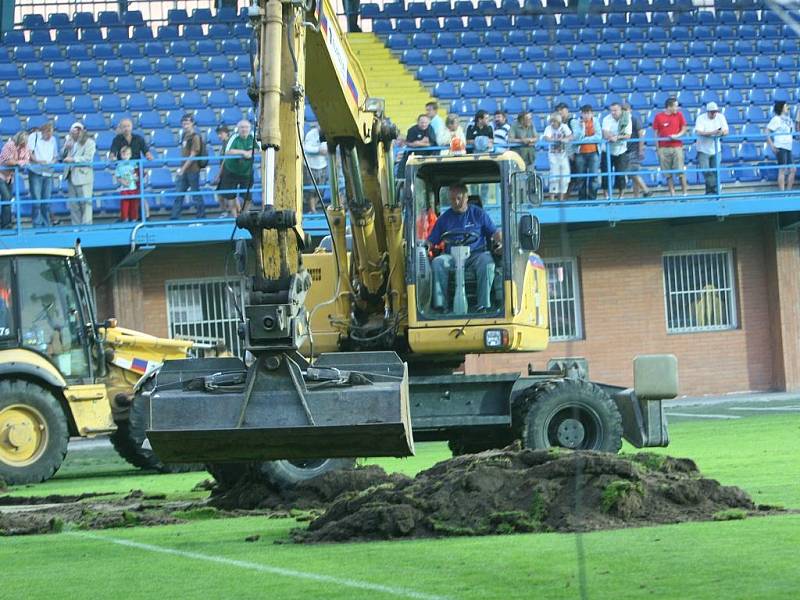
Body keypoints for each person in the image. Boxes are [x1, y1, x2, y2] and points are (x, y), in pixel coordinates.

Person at [427, 183, 502, 312]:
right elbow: (431, 240)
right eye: (452, 199)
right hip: (452, 257)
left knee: (487, 262)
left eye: (459, 198)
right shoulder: (444, 219)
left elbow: (495, 233)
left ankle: (483, 305)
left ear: (466, 197)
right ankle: (441, 306)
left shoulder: (478, 214)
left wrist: (501, 242)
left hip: (475, 255)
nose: (455, 202)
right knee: (437, 263)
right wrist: (424, 246)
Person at [170, 113, 204, 220]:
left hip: (193, 170)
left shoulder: (195, 137)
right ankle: (175, 217)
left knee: (195, 194)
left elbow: (193, 154)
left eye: (187, 123)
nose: (185, 125)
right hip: (184, 170)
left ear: (192, 123)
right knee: (179, 194)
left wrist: (183, 169)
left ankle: (201, 216)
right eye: (184, 123)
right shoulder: (184, 135)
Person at [61, 122, 96, 225]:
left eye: (78, 131)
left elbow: (88, 158)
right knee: (74, 204)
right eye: (74, 131)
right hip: (70, 176)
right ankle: (75, 225)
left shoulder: (89, 142)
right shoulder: (69, 141)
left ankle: (86, 226)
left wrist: (73, 159)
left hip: (83, 176)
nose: (76, 133)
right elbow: (62, 156)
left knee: (85, 203)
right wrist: (66, 148)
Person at [653, 97, 688, 196]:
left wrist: (677, 136)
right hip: (663, 148)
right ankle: (672, 194)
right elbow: (655, 134)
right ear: (669, 107)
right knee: (667, 173)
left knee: (680, 171)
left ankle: (685, 193)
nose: (677, 108)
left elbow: (684, 128)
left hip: (677, 146)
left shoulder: (679, 115)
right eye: (676, 106)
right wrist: (658, 149)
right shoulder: (658, 117)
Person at [219, 119, 256, 212]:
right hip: (231, 171)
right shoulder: (233, 137)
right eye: (242, 127)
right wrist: (243, 152)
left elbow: (261, 150)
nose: (244, 129)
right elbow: (227, 152)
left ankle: (244, 215)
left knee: (247, 197)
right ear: (238, 129)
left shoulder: (253, 137)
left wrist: (251, 152)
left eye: (246, 127)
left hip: (246, 172)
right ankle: (235, 217)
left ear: (250, 128)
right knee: (231, 196)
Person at [27, 122, 59, 228]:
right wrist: (38, 161)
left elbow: (55, 156)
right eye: (48, 134)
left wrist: (52, 162)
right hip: (36, 171)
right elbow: (29, 153)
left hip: (48, 172)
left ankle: (46, 223)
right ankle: (36, 223)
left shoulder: (53, 139)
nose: (50, 137)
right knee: (36, 199)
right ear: (43, 131)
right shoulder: (33, 136)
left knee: (46, 199)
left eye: (51, 134)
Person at [694, 101, 729, 196]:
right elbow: (699, 132)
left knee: (715, 171)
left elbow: (726, 130)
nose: (714, 114)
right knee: (705, 170)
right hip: (703, 149)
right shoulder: (701, 118)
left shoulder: (720, 117)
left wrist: (721, 133)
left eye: (715, 112)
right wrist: (712, 133)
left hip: (716, 149)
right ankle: (716, 187)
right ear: (708, 112)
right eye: (712, 112)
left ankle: (711, 192)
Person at [0, 131, 31, 229]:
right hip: (1, 175)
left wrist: (16, 162)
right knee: (6, 197)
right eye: (23, 141)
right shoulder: (9, 145)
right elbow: (5, 160)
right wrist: (17, 163)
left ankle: (6, 222)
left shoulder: (25, 148)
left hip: (10, 177)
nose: (24, 144)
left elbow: (26, 160)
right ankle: (6, 224)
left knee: (8, 199)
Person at [601, 102, 633, 198]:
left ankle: (621, 196)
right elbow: (605, 133)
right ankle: (606, 196)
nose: (613, 112)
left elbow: (628, 135)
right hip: (607, 151)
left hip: (621, 150)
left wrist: (617, 137)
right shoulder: (606, 119)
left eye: (615, 110)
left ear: (620, 110)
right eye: (612, 110)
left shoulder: (627, 119)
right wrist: (611, 136)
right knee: (606, 174)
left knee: (621, 174)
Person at [572, 105, 603, 200]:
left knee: (594, 177)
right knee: (581, 177)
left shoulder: (596, 121)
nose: (586, 115)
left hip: (594, 153)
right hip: (580, 153)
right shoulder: (575, 122)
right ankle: (581, 199)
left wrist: (585, 139)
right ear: (581, 113)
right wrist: (583, 128)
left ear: (592, 113)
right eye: (584, 113)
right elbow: (577, 138)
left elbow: (599, 137)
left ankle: (592, 198)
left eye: (588, 113)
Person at [622, 99, 651, 197]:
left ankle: (646, 190)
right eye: (623, 110)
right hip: (625, 150)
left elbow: (641, 136)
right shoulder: (622, 122)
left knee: (632, 172)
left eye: (626, 110)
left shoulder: (634, 120)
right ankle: (636, 196)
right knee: (634, 174)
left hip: (634, 149)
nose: (625, 112)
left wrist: (641, 150)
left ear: (630, 110)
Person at [767, 100, 796, 191]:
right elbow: (767, 131)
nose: (788, 107)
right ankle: (782, 193)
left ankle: (788, 192)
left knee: (793, 169)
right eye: (786, 105)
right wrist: (771, 145)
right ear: (781, 107)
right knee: (782, 170)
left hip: (788, 146)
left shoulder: (789, 119)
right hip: (780, 146)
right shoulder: (776, 119)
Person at [542, 113, 572, 201]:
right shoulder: (548, 128)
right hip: (553, 156)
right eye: (551, 121)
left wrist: (565, 139)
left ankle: (561, 199)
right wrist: (556, 140)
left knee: (565, 177)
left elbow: (571, 136)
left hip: (563, 155)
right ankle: (552, 199)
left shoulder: (564, 127)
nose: (552, 123)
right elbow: (546, 137)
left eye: (554, 121)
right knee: (554, 177)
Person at [302, 123, 328, 213]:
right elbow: (306, 148)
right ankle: (312, 210)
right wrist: (318, 150)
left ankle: (313, 208)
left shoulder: (328, 134)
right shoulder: (311, 134)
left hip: (323, 165)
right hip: (311, 166)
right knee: (311, 190)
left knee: (321, 190)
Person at [556, 102, 578, 194]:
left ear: (567, 110)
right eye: (559, 111)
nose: (560, 112)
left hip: (571, 152)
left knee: (572, 174)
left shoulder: (572, 121)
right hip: (562, 153)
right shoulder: (558, 123)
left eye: (562, 110)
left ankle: (567, 195)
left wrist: (566, 139)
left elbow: (576, 135)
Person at [114, 145, 139, 222]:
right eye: (123, 154)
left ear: (130, 155)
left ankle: (134, 218)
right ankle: (125, 218)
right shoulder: (118, 165)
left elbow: (136, 174)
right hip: (124, 188)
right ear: (121, 155)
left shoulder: (133, 164)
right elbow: (118, 177)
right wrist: (122, 181)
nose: (125, 156)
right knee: (125, 205)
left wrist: (136, 177)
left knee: (133, 204)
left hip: (133, 187)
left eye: (127, 154)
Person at [212, 125, 233, 215]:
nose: (219, 136)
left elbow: (225, 160)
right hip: (225, 172)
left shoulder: (228, 143)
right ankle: (228, 212)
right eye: (218, 134)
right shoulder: (224, 144)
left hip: (228, 172)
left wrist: (218, 174)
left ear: (226, 133)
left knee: (230, 195)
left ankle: (233, 213)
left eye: (221, 133)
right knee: (222, 194)